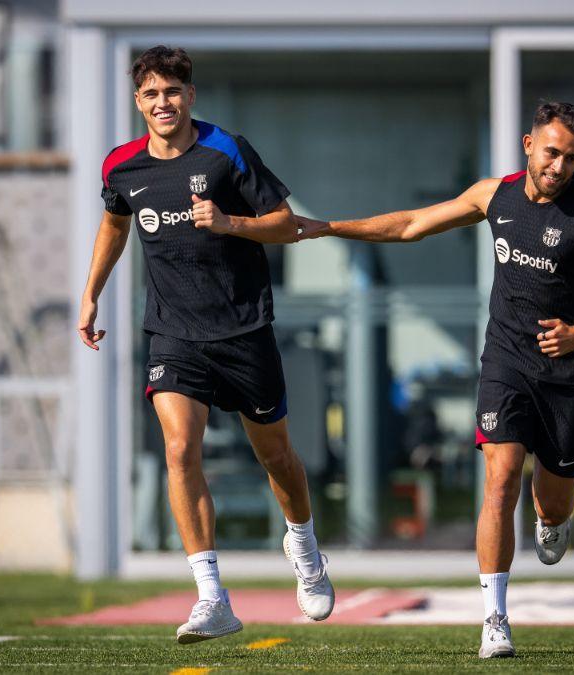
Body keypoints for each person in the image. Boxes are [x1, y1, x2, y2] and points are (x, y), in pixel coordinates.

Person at [294, 102, 574, 658]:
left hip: (570, 375)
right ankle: (495, 618)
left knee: (554, 502)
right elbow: (413, 224)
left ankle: (552, 520)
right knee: (501, 476)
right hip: (506, 363)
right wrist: (329, 228)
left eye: (572, 157)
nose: (560, 166)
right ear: (528, 144)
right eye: (552, 152)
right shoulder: (495, 196)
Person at [77, 45, 334, 644]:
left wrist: (229, 223)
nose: (162, 103)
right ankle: (212, 597)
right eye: (150, 94)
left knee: (277, 458)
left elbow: (285, 223)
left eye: (172, 92)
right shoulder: (121, 166)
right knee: (178, 449)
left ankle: (303, 544)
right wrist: (91, 293)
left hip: (244, 330)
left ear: (190, 96)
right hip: (173, 333)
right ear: (137, 102)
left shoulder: (228, 151)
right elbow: (115, 224)